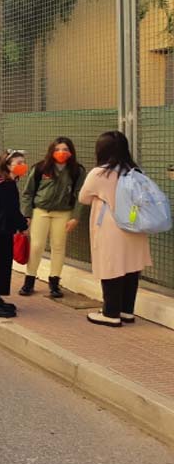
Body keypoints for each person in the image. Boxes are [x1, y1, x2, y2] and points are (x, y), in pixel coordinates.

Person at [79, 131, 153, 327]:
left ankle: (110, 313)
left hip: (111, 227)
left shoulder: (99, 173)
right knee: (131, 267)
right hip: (135, 225)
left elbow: (83, 198)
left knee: (111, 267)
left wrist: (101, 196)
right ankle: (126, 311)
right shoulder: (135, 171)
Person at [19, 137, 87, 298]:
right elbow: (28, 193)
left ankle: (54, 283)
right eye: (57, 149)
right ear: (51, 151)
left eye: (65, 149)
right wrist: (26, 215)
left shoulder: (77, 171)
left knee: (58, 246)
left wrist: (75, 217)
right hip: (41, 211)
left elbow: (80, 196)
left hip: (63, 213)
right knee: (36, 246)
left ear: (71, 152)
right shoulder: (41, 168)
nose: (61, 153)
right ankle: (29, 281)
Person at [0, 150, 30, 319]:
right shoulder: (7, 185)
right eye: (18, 163)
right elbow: (11, 211)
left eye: (23, 162)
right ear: (7, 166)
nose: (23, 166)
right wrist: (23, 225)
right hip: (0, 230)